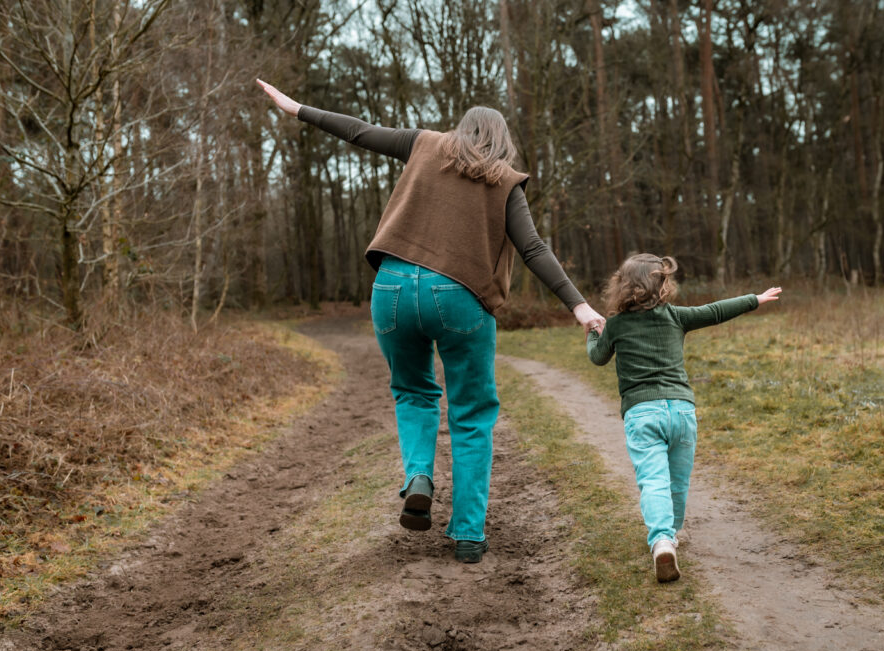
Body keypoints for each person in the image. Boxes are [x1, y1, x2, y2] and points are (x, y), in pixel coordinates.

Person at [257, 79, 605, 563]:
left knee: (414, 390)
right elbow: (532, 249)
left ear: (461, 131)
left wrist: (297, 108)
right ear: (503, 142)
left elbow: (359, 131)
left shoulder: (424, 144)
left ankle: (418, 475)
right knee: (470, 415)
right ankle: (467, 535)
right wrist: (579, 306)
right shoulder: (505, 180)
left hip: (392, 289)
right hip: (459, 297)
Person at [586, 253, 781, 582]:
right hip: (682, 411)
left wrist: (594, 332)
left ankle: (662, 540)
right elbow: (716, 311)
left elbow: (598, 357)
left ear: (622, 287)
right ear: (663, 286)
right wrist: (755, 300)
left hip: (642, 413)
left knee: (654, 480)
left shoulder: (617, 325)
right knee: (677, 480)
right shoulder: (675, 316)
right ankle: (672, 533)